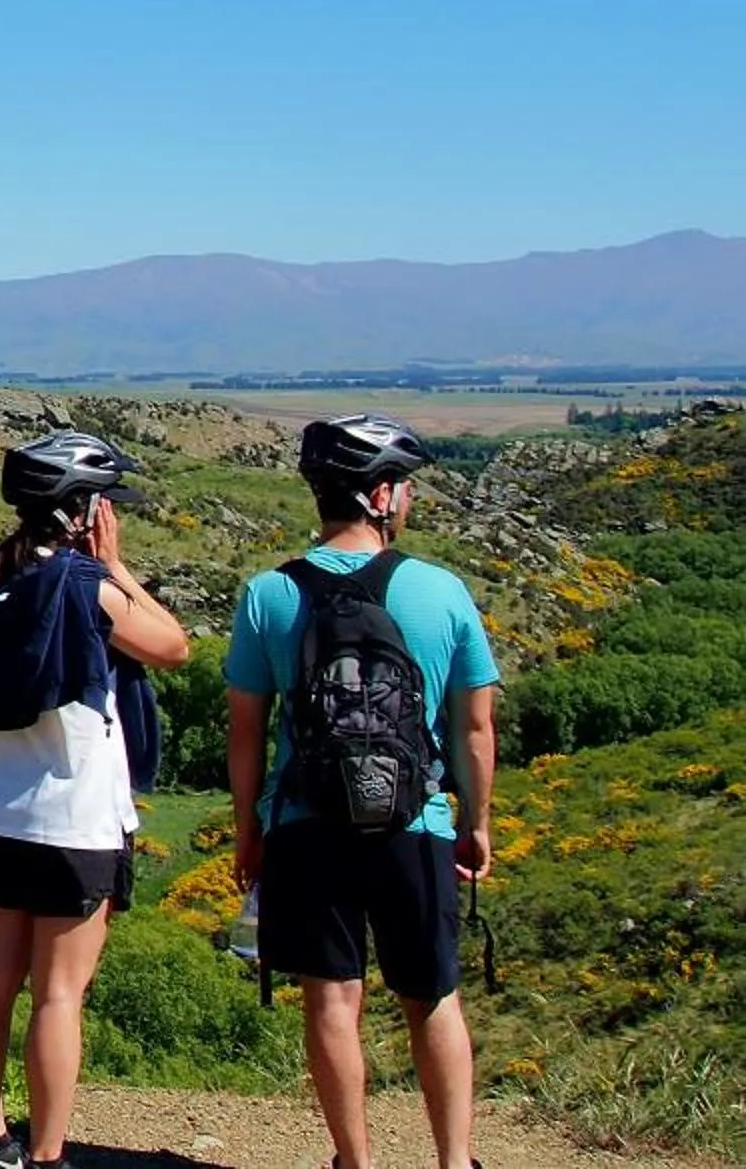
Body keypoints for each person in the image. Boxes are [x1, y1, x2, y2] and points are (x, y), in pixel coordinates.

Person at [0, 430, 192, 1169]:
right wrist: (117, 565)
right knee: (60, 994)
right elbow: (171, 645)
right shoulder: (83, 585)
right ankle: (50, 1153)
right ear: (81, 507)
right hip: (75, 820)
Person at [226, 413, 500, 1169]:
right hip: (415, 821)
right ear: (381, 495)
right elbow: (475, 729)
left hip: (306, 823)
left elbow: (246, 731)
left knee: (331, 998)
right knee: (433, 997)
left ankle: (354, 1160)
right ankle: (454, 1161)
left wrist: (249, 827)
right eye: (403, 486)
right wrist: (475, 822)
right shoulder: (442, 591)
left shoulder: (268, 595)